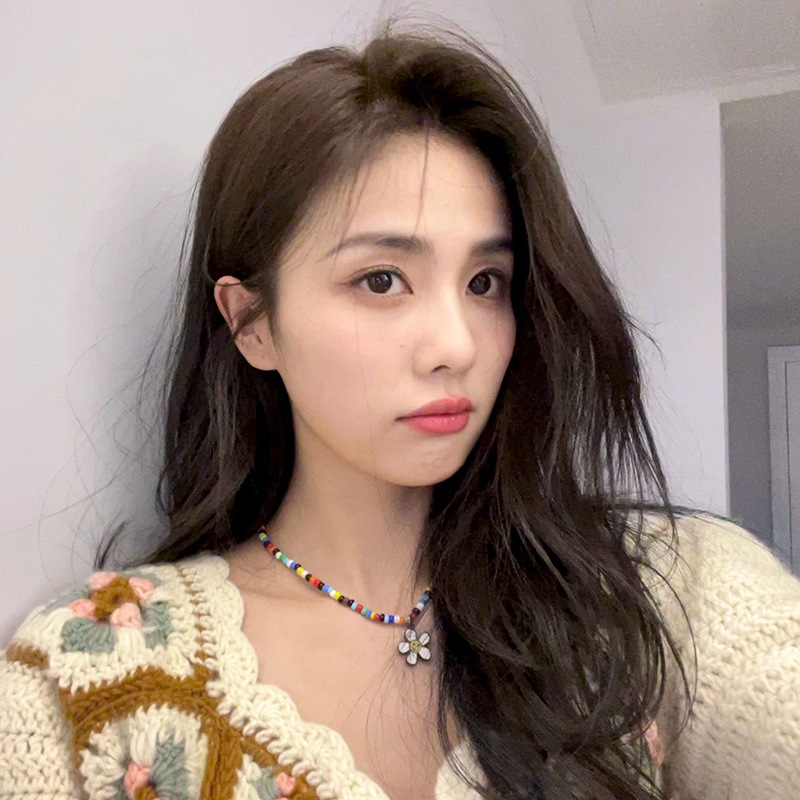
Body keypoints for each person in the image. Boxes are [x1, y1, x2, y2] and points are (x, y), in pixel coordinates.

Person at [1, 22, 799, 800]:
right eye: (381, 280)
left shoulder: (651, 592)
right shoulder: (90, 678)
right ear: (251, 324)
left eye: (485, 283)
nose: (457, 344)